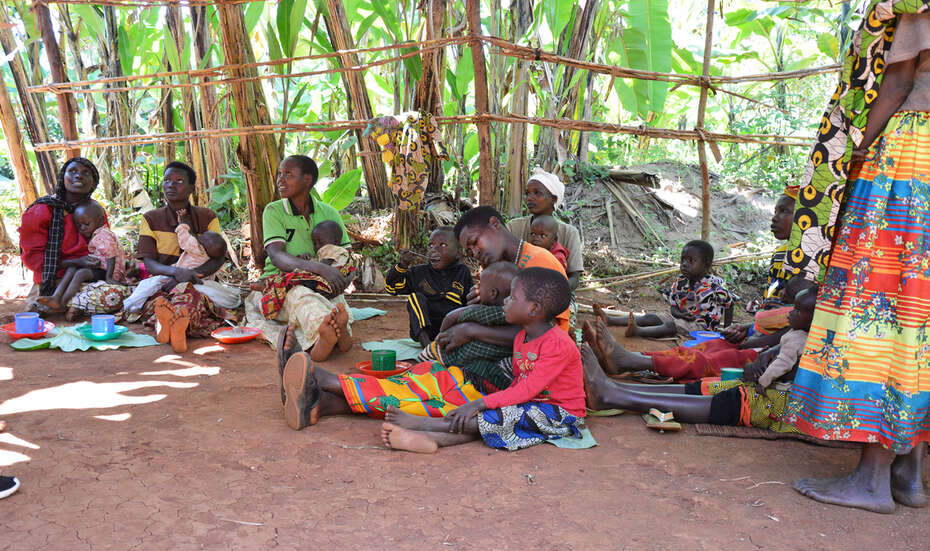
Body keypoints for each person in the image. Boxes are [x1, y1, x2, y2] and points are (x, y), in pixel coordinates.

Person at [779, 5, 930, 513]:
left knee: (880, 307)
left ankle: (871, 477)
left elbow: (901, 78)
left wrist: (856, 147)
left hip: (914, 158)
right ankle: (908, 473)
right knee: (919, 313)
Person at [378, 267, 586, 453]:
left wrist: (480, 404)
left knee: (496, 416)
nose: (505, 301)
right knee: (494, 416)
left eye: (512, 297)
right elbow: (518, 382)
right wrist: (486, 405)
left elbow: (528, 389)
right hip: (531, 406)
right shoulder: (522, 337)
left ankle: (423, 425)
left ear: (533, 309)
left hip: (562, 415)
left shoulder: (557, 344)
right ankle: (433, 439)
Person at [582, 289, 817, 432]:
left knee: (732, 400)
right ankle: (619, 386)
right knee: (712, 386)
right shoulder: (799, 334)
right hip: (773, 385)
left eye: (796, 311)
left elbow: (782, 366)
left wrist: (762, 380)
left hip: (777, 399)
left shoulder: (804, 342)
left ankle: (613, 396)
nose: (789, 314)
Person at [584, 277, 817, 383]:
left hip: (754, 356)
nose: (788, 312)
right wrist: (742, 331)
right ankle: (634, 359)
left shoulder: (801, 335)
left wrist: (746, 342)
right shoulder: (795, 323)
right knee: (705, 347)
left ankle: (632, 361)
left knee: (701, 360)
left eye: (794, 309)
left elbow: (773, 344)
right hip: (750, 346)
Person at [245, 155, 353, 362]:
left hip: (323, 283)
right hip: (283, 284)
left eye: (288, 174)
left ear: (308, 179)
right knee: (302, 297)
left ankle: (337, 333)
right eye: (280, 174)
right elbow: (276, 256)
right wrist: (320, 269)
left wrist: (341, 281)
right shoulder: (274, 211)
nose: (280, 180)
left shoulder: (329, 212)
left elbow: (346, 258)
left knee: (335, 302)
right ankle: (322, 340)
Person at [129, 161, 239, 353]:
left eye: (179, 181)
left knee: (190, 297)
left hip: (198, 281)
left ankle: (167, 326)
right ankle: (178, 326)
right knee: (163, 302)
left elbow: (218, 257)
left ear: (190, 188)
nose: (171, 184)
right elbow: (149, 263)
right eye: (167, 180)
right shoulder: (151, 218)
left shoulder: (206, 216)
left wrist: (190, 276)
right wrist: (175, 273)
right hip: (163, 284)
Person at [455, 206, 570, 340]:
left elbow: (541, 332)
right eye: (469, 252)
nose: (475, 253)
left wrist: (471, 330)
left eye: (475, 242)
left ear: (494, 224)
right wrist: (480, 303)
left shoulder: (541, 262)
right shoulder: (492, 270)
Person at [19, 157, 108, 310]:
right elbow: (34, 261)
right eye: (72, 171)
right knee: (40, 322)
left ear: (93, 183)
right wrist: (77, 261)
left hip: (91, 279)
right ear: (63, 178)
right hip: (53, 281)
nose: (79, 175)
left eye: (86, 173)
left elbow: (105, 245)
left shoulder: (96, 211)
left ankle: (74, 308)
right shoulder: (41, 210)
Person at [602, 240, 736, 338]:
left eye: (691, 261)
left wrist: (727, 329)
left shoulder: (714, 285)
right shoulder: (680, 282)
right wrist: (681, 315)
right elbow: (673, 308)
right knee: (651, 317)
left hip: (703, 328)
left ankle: (638, 332)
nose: (684, 264)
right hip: (682, 319)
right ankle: (612, 320)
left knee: (671, 326)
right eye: (683, 260)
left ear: (706, 264)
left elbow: (729, 304)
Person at [424, 261, 520, 393]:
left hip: (463, 359)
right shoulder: (518, 314)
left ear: (492, 293)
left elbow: (450, 317)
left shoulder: (479, 311)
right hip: (501, 370)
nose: (477, 287)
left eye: (480, 285)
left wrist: (441, 334)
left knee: (434, 354)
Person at [123, 208, 227, 313]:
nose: (202, 236)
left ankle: (131, 304)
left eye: (205, 236)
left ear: (204, 245)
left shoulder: (197, 248)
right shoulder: (206, 255)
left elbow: (185, 237)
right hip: (193, 279)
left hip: (175, 275)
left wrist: (183, 223)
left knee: (149, 284)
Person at [385, 226, 472, 347]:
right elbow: (391, 288)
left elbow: (469, 303)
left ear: (458, 253)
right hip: (428, 329)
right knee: (416, 298)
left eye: (442, 245)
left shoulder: (462, 272)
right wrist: (402, 265)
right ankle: (427, 347)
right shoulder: (419, 273)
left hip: (453, 330)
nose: (434, 250)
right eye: (431, 245)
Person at [37, 201, 126, 318]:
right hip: (102, 268)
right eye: (79, 226)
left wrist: (109, 277)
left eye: (86, 224)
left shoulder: (103, 235)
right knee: (73, 265)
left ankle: (61, 303)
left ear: (100, 221)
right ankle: (56, 297)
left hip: (110, 271)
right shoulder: (98, 234)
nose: (83, 228)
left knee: (81, 273)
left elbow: (111, 256)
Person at [506, 167, 583, 290]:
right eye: (527, 193)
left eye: (537, 193)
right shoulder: (514, 227)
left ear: (553, 199)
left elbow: (574, 278)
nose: (529, 198)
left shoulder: (569, 233)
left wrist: (552, 291)